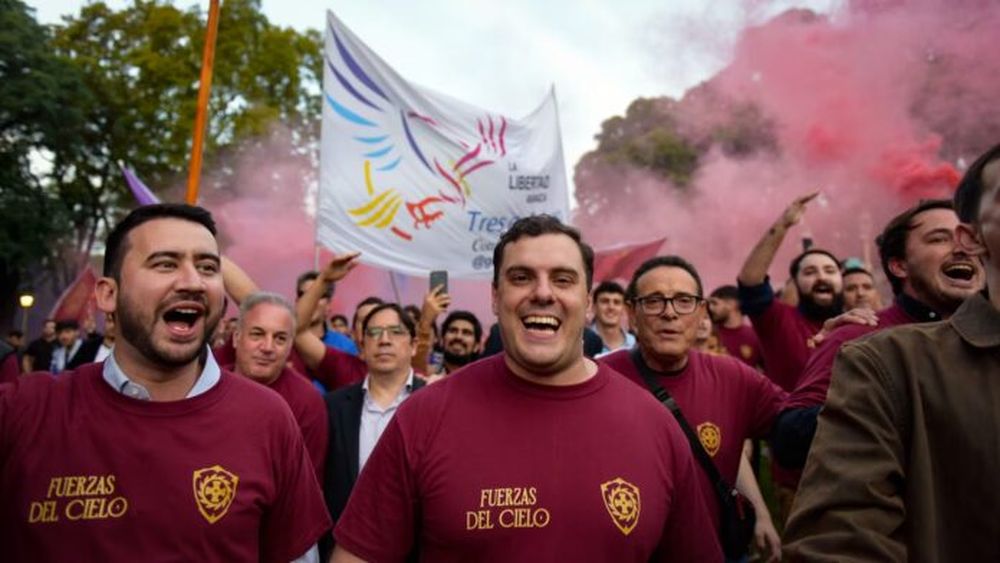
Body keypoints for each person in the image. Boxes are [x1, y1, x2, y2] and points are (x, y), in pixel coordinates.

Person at [331, 215, 722, 562]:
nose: (543, 293)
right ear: (495, 297)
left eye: (563, 279)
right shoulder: (424, 416)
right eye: (521, 278)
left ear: (587, 302)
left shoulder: (655, 425)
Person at [0, 203, 329, 562]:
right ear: (108, 294)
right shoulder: (24, 412)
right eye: (165, 264)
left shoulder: (268, 420)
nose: (193, 282)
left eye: (208, 267)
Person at [783, 144, 1000, 562]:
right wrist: (880, 411)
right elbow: (839, 536)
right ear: (974, 239)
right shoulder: (869, 349)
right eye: (937, 239)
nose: (954, 251)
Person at [771, 199, 984, 469]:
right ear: (899, 266)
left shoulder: (990, 338)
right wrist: (883, 402)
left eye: (969, 238)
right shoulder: (858, 336)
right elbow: (789, 439)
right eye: (939, 239)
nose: (962, 248)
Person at [601, 256, 785, 562]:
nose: (670, 312)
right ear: (632, 314)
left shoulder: (733, 378)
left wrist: (838, 349)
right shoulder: (598, 379)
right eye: (654, 301)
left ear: (701, 314)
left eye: (684, 301)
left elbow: (792, 428)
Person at [323, 303, 425, 556]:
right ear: (361, 347)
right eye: (374, 333)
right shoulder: (332, 407)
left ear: (414, 345)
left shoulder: (434, 403)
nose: (384, 340)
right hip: (347, 550)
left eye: (395, 332)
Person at [230, 291, 328, 481]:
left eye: (280, 338)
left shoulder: (307, 401)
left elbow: (307, 484)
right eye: (257, 334)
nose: (267, 347)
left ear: (290, 347)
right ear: (236, 338)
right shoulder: (208, 386)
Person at [296, 271, 358, 356]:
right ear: (296, 301)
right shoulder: (284, 342)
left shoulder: (346, 347)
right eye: (304, 295)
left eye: (317, 295)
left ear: (329, 304)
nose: (310, 301)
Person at [707, 285, 763, 368]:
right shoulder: (709, 334)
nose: (710, 308)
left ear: (732, 304)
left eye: (715, 303)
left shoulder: (755, 336)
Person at [591, 281, 636, 355]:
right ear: (594, 306)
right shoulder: (584, 342)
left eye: (616, 302)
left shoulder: (634, 344)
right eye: (605, 301)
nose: (611, 307)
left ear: (624, 308)